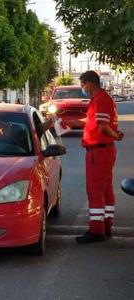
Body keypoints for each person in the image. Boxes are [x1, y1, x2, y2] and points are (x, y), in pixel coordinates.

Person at [75, 70, 124, 244]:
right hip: (105, 150)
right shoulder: (102, 99)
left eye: (83, 84)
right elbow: (93, 122)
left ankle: (96, 230)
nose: (83, 88)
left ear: (89, 83)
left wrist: (115, 135)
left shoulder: (100, 100)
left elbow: (102, 126)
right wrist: (67, 124)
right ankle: (106, 224)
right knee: (105, 189)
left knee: (95, 191)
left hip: (98, 151)